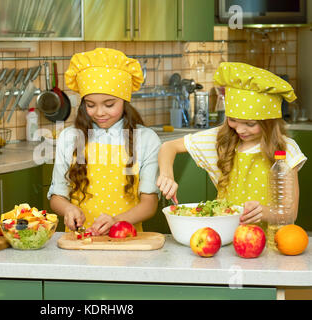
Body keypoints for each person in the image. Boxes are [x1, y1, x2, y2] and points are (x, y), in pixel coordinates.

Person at [157, 62, 307, 228]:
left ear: (269, 122)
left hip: (271, 247)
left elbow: (290, 214)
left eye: (250, 124)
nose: (240, 129)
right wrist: (167, 175)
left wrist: (264, 212)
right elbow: (168, 147)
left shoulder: (286, 149)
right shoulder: (220, 140)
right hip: (224, 240)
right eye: (233, 120)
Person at [48, 48, 161, 235]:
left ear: (125, 101)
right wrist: (68, 209)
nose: (99, 112)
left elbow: (149, 204)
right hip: (79, 242)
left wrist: (116, 221)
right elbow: (57, 196)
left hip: (126, 240)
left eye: (109, 105)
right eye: (90, 105)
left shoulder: (146, 139)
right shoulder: (69, 138)